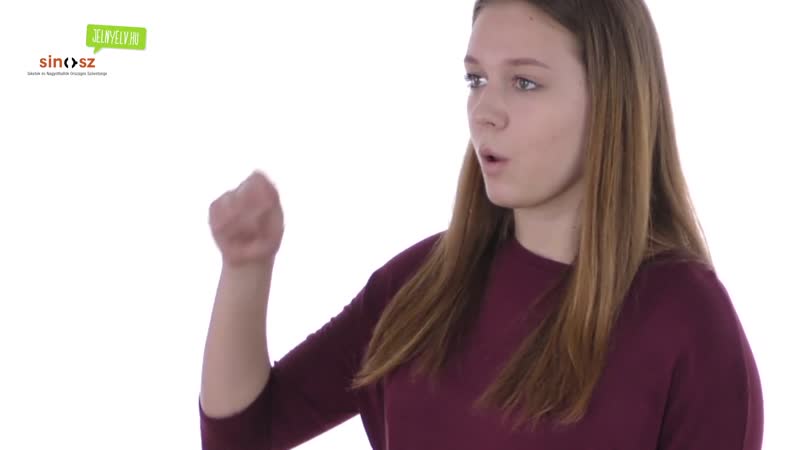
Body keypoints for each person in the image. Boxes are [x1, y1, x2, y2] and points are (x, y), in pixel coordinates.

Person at [198, 0, 764, 449]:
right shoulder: (421, 284)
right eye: (476, 80)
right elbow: (245, 434)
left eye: (524, 82)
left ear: (611, 99)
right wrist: (246, 268)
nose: (484, 111)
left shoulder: (687, 321)